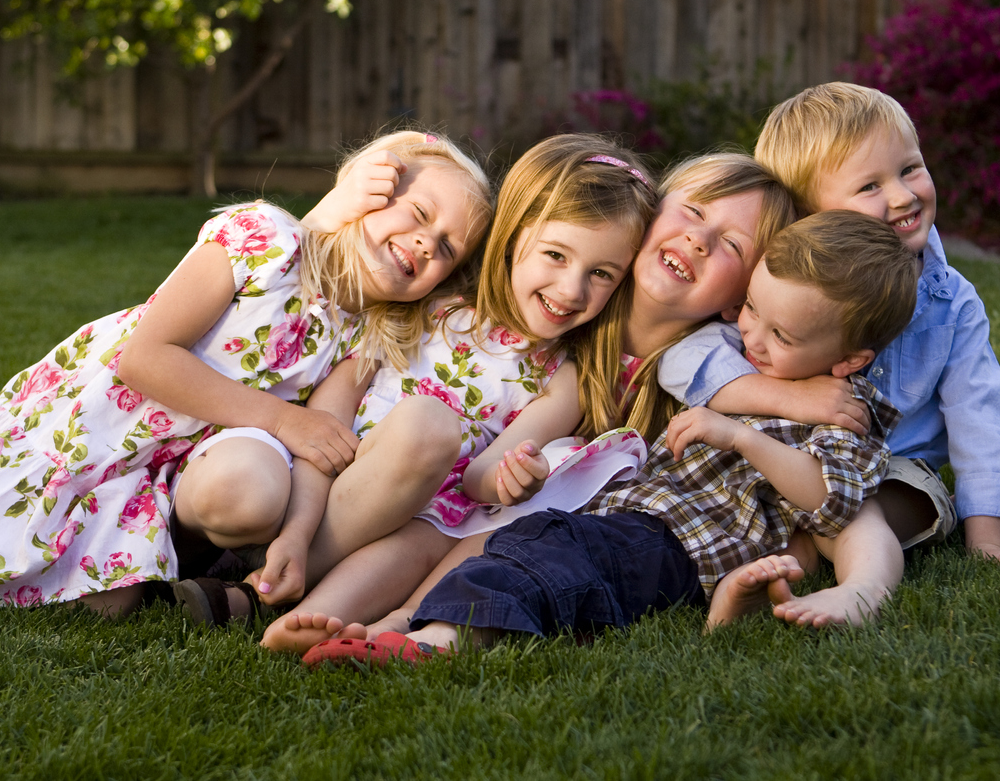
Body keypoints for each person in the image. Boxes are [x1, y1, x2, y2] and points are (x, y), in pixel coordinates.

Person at [0, 129, 492, 615]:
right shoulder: (266, 241)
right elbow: (144, 358)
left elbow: (322, 445)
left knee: (110, 602)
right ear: (371, 189)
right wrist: (282, 419)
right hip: (90, 431)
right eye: (418, 213)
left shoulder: (365, 337)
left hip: (157, 475)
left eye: (446, 249)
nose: (424, 243)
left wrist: (296, 537)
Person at [299, 210, 918, 666]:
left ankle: (435, 643)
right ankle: (389, 624)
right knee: (520, 541)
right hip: (623, 519)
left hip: (678, 542)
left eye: (782, 335)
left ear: (847, 361)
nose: (751, 335)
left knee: (544, 558)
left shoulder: (843, 413)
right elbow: (685, 364)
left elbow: (833, 502)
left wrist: (741, 437)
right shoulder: (730, 358)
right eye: (752, 308)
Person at [174, 134, 658, 629]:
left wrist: (511, 479)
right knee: (423, 428)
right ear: (513, 238)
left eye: (601, 273)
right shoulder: (428, 306)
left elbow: (479, 477)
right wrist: (296, 532)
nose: (571, 289)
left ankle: (275, 606)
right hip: (325, 491)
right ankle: (272, 567)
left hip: (421, 515)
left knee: (414, 541)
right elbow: (327, 428)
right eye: (556, 255)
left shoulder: (562, 378)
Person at [753, 82, 1000, 568]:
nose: (904, 195)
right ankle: (798, 547)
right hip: (791, 457)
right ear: (810, 214)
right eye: (870, 186)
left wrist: (987, 540)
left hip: (893, 472)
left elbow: (979, 416)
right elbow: (718, 355)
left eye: (910, 169)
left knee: (904, 498)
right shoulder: (777, 280)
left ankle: (817, 552)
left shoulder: (952, 302)